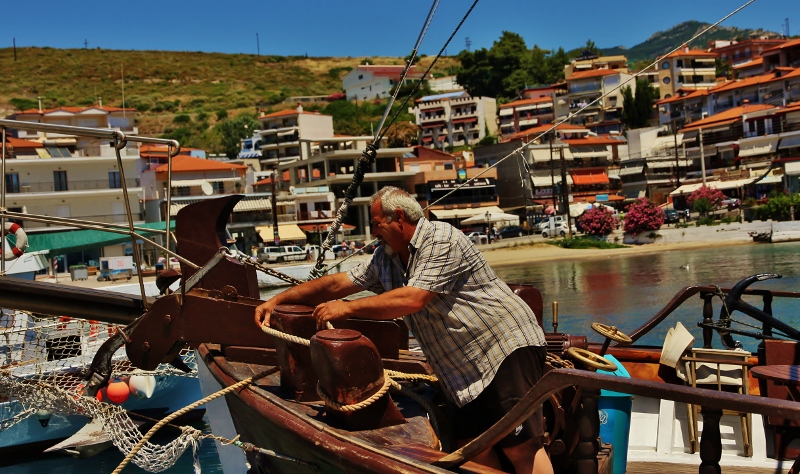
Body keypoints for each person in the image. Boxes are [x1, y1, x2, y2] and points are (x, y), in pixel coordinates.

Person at [255, 186, 552, 474]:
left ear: (398, 217)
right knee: (473, 451)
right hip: (464, 370)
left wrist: (347, 308)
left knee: (521, 448)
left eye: (375, 224)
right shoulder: (386, 258)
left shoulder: (440, 238)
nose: (372, 232)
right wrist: (278, 299)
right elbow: (336, 283)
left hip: (503, 349)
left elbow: (413, 298)